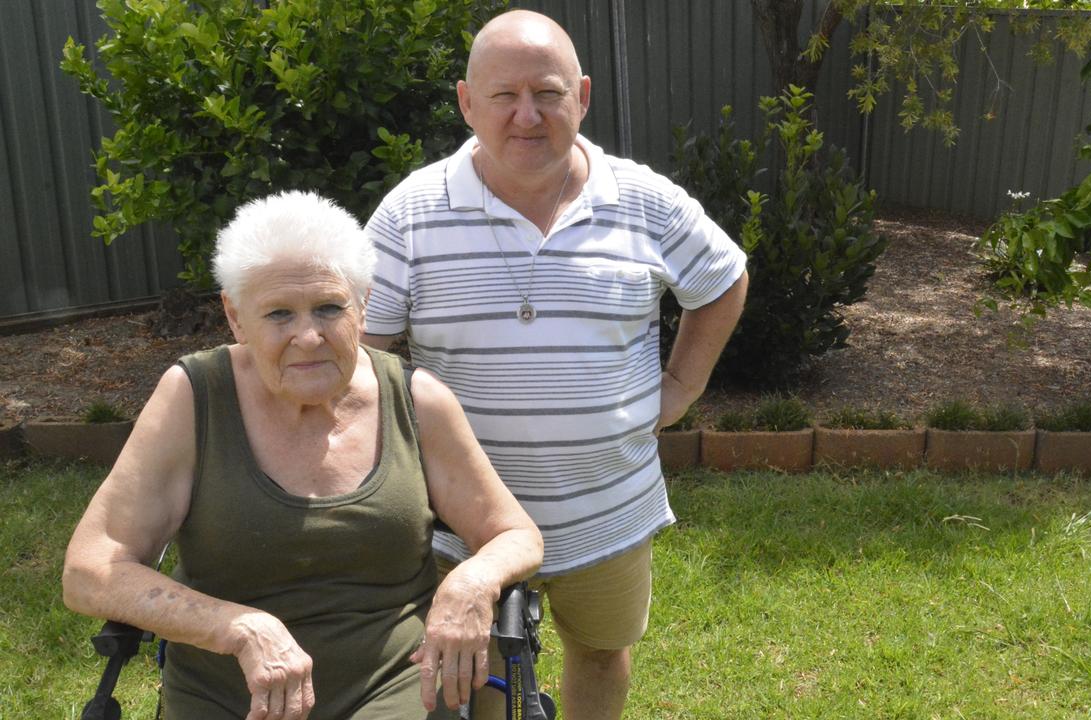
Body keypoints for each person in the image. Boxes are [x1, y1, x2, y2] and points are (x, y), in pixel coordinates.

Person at [361, 9, 748, 719]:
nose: (527, 116)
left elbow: (722, 281)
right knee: (471, 674)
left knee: (602, 654)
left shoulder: (646, 201)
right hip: (463, 526)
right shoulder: (408, 215)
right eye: (504, 96)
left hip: (608, 513)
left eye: (547, 92)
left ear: (584, 96)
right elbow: (364, 357)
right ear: (466, 102)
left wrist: (681, 387)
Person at [63, 190, 543, 719]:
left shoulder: (415, 398)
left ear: (362, 306)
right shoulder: (193, 397)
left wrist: (473, 580)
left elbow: (514, 533)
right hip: (226, 692)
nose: (308, 336)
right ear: (235, 316)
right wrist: (238, 627)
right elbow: (90, 571)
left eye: (329, 308)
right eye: (278, 314)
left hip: (392, 684)